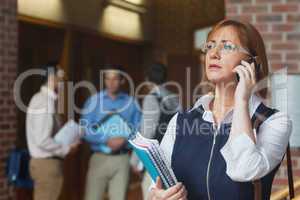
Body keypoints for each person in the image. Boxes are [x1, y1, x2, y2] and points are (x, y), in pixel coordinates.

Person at [148, 19, 292, 200]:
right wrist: (157, 196)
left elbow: (243, 170)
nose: (214, 53)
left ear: (252, 62)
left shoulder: (273, 122)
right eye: (210, 46)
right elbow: (157, 185)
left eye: (228, 47)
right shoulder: (181, 120)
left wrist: (241, 101)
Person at [82, 65, 142, 200]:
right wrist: (106, 139)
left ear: (122, 81)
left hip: (122, 159)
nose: (111, 82)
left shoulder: (131, 103)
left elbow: (139, 128)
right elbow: (84, 130)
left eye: (115, 79)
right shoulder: (94, 101)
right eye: (108, 79)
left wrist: (124, 140)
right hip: (98, 158)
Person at [26, 62, 79, 200]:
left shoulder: (45, 100)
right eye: (61, 75)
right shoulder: (44, 101)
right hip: (46, 166)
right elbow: (42, 140)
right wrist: (67, 148)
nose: (63, 79)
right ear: (51, 77)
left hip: (47, 164)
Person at [130, 62, 180, 199]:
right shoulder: (173, 97)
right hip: (173, 154)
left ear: (147, 80)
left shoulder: (151, 98)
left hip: (156, 156)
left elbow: (147, 130)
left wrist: (135, 160)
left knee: (152, 193)